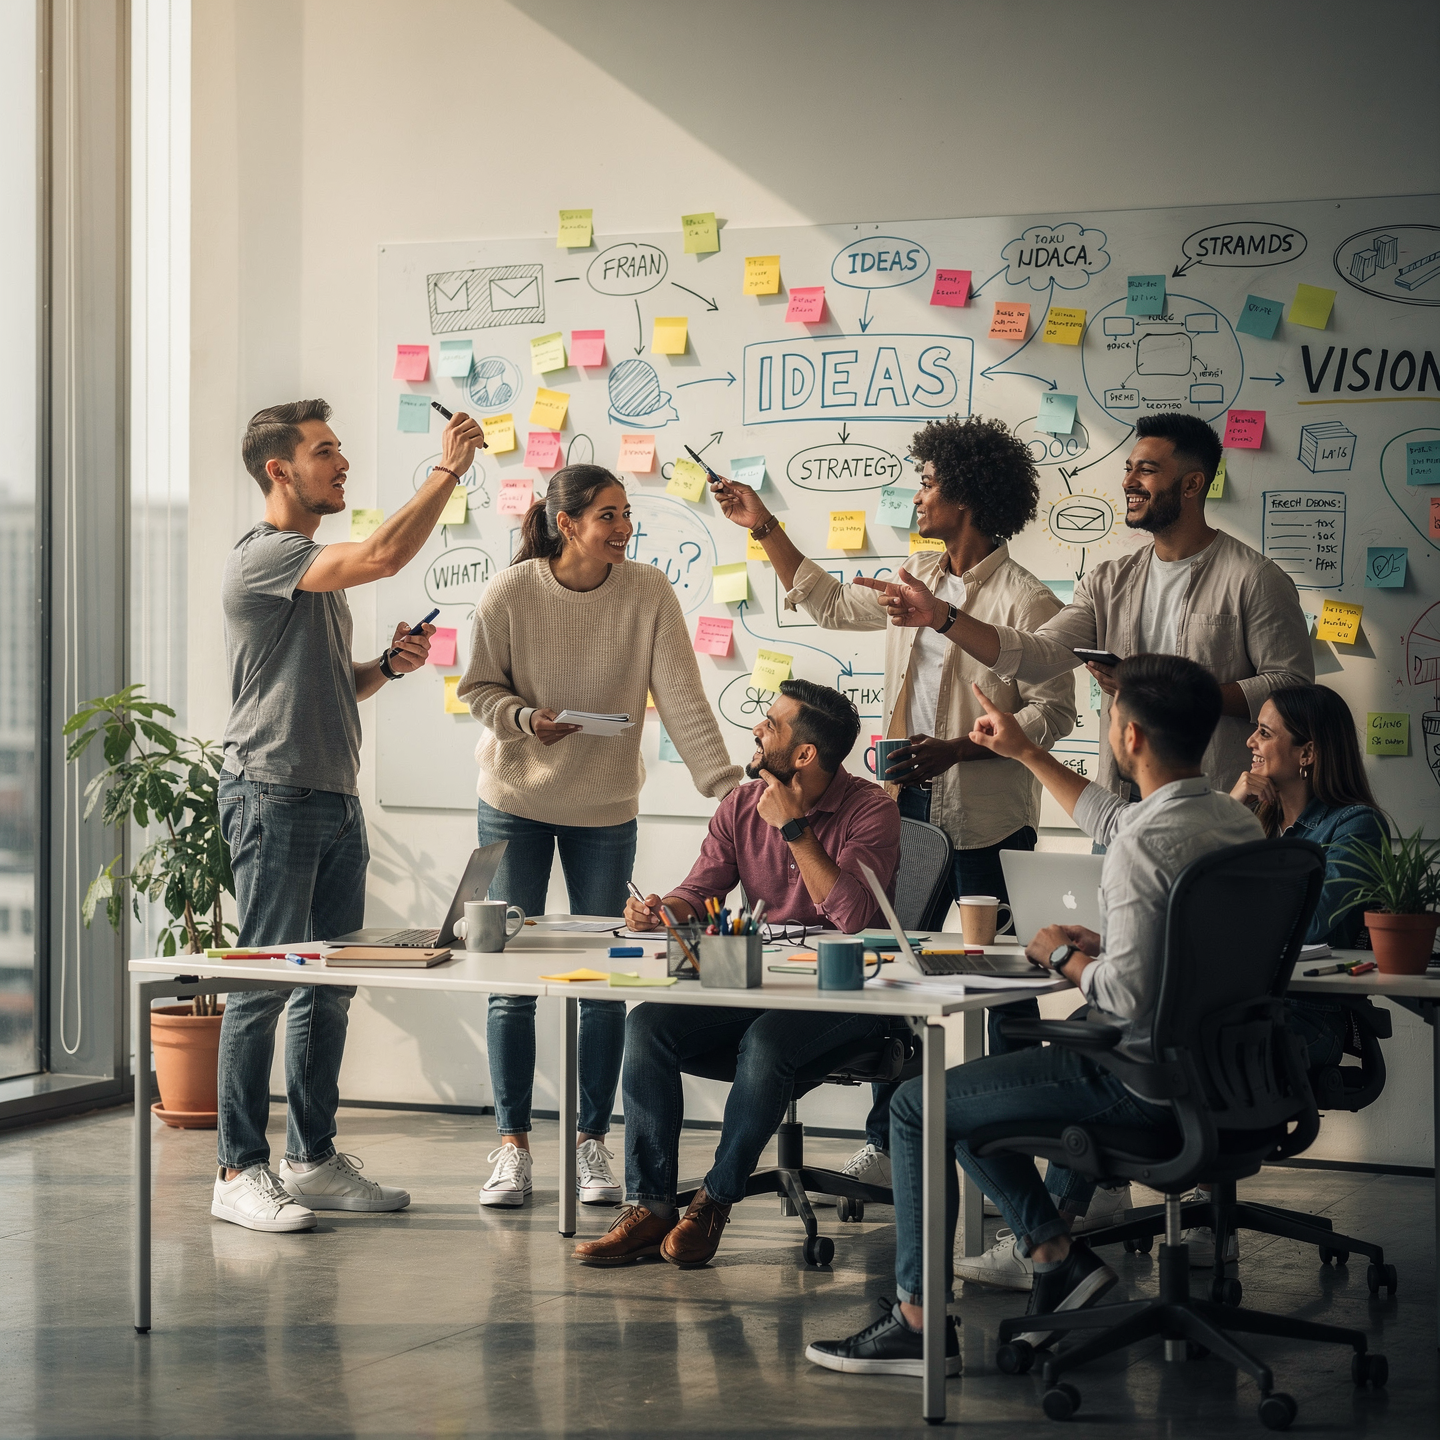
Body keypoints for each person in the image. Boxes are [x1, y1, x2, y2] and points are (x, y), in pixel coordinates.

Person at [805, 655, 1263, 1377]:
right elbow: (1129, 840)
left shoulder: (1142, 845)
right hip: (1226, 1075)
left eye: (1112, 718)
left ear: (1131, 737)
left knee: (917, 1108)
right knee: (969, 1100)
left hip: (1135, 1075)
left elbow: (1126, 998)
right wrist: (1023, 751)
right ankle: (1055, 1258)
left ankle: (919, 1322)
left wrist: (1061, 958)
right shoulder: (1232, 820)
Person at [709, 416, 1079, 1200]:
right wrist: (764, 526)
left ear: (968, 496)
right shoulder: (917, 577)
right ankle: (889, 1138)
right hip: (906, 809)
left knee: (999, 987)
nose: (916, 495)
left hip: (985, 820)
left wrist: (961, 749)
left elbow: (1055, 714)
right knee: (889, 973)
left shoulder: (1026, 600)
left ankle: (1011, 1146)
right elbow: (833, 607)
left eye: (928, 483)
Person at [214, 398, 483, 1232]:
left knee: (329, 990)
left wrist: (387, 668)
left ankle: (313, 1158)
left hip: (331, 796)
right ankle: (238, 1169)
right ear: (278, 469)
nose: (343, 464)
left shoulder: (311, 574)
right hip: (272, 791)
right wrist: (449, 470)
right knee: (262, 988)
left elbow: (331, 687)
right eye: (326, 451)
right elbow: (386, 552)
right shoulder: (266, 557)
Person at [458, 465, 741, 1210]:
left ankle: (591, 1142)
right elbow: (478, 688)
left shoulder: (646, 591)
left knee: (607, 981)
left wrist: (729, 792)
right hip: (515, 796)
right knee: (510, 979)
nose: (623, 528)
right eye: (608, 515)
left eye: (625, 514)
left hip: (607, 806)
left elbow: (682, 696)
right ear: (565, 522)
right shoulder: (512, 592)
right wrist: (527, 720)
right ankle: (512, 1145)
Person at [569, 680, 902, 1270]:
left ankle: (714, 1201)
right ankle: (651, 1207)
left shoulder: (871, 809)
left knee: (768, 1041)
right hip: (760, 983)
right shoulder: (741, 804)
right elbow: (701, 890)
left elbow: (853, 917)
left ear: (804, 755)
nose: (756, 729)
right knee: (647, 1024)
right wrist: (664, 911)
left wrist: (795, 828)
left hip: (851, 998)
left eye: (771, 724)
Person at [859, 413, 1314, 806]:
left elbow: (1292, 685)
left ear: (1193, 483)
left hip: (1216, 800)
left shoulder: (1256, 578)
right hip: (1119, 800)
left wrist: (1178, 693)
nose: (1128, 482)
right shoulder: (1107, 580)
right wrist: (941, 616)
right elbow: (1037, 656)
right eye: (1129, 469)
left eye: (1147, 471)